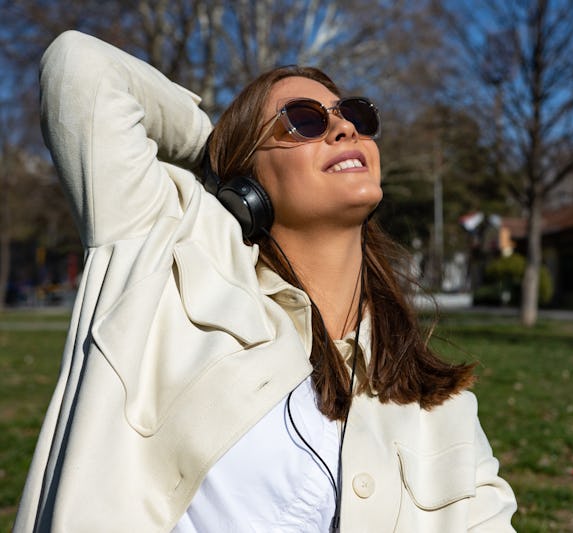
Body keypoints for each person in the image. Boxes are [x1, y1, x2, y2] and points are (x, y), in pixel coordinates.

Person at [14, 30, 516, 532]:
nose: (344, 129)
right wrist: (215, 156)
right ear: (247, 186)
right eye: (303, 121)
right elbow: (80, 69)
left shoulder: (441, 408)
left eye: (355, 116)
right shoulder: (171, 252)